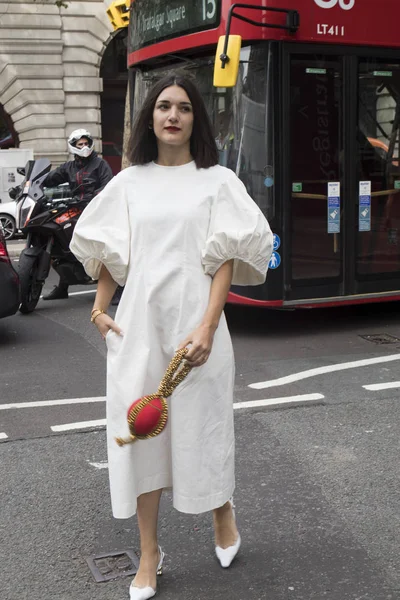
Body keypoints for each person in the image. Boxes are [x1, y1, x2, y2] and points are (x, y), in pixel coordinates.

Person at [70, 74, 273, 600]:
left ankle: (221, 511)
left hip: (197, 323)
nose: (173, 115)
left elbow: (224, 255)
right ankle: (148, 554)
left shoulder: (217, 182)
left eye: (184, 107)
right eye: (163, 106)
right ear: (150, 117)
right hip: (138, 326)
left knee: (202, 426)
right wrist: (97, 307)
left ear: (195, 118)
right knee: (141, 434)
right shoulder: (129, 182)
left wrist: (208, 325)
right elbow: (111, 249)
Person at [43, 129, 113, 300]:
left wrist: (95, 197)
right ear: (73, 146)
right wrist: (33, 181)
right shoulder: (69, 167)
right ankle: (63, 286)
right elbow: (50, 179)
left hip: (97, 208)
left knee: (103, 245)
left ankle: (115, 288)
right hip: (76, 208)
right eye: (80, 144)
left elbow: (108, 184)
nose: (84, 146)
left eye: (86, 143)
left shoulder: (100, 164)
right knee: (60, 239)